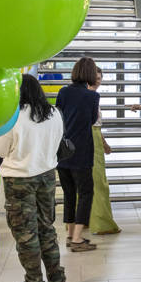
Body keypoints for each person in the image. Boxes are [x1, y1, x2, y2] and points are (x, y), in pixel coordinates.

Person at [0, 75, 67, 282]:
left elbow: (0, 149)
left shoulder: (14, 117)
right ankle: (57, 279)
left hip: (19, 180)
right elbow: (58, 142)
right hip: (46, 176)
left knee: (26, 233)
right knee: (46, 227)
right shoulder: (54, 113)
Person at [56, 57, 100, 252]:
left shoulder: (63, 92)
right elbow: (91, 120)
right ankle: (77, 238)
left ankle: (69, 233)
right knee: (85, 192)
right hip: (82, 151)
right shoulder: (92, 97)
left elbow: (58, 116)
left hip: (63, 151)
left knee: (68, 194)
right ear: (90, 74)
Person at [88, 67, 120, 236]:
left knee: (89, 182)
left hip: (92, 139)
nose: (98, 80)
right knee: (99, 182)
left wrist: (104, 143)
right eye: (96, 77)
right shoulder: (91, 97)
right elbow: (94, 125)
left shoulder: (86, 96)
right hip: (91, 141)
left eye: (100, 77)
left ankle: (87, 221)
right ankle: (102, 223)